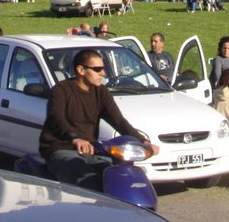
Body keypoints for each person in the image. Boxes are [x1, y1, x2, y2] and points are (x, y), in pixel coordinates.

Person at [38, 49, 158, 190]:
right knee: (89, 181)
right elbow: (56, 118)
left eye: (103, 69)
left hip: (92, 151)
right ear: (81, 70)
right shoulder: (61, 90)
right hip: (62, 150)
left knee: (117, 178)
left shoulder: (101, 91)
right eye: (97, 69)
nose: (103, 73)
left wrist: (143, 141)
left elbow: (118, 121)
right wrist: (75, 139)